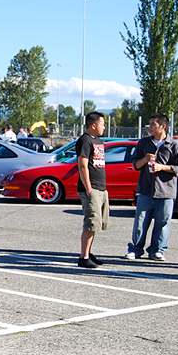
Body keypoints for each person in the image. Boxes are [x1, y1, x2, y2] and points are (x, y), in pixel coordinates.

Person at [124, 114, 178, 261]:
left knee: (163, 222)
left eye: (152, 124)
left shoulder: (174, 145)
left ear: (162, 126)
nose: (149, 127)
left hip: (166, 191)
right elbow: (135, 165)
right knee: (140, 221)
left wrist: (162, 167)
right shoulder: (143, 143)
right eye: (149, 124)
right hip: (145, 189)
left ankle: (157, 250)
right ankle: (136, 249)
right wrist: (144, 160)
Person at [76, 111, 108, 268]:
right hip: (91, 189)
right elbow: (82, 165)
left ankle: (89, 252)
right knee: (90, 223)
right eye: (102, 124)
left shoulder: (98, 141)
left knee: (97, 224)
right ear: (93, 125)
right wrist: (88, 188)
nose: (104, 127)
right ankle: (84, 257)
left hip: (101, 188)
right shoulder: (85, 141)